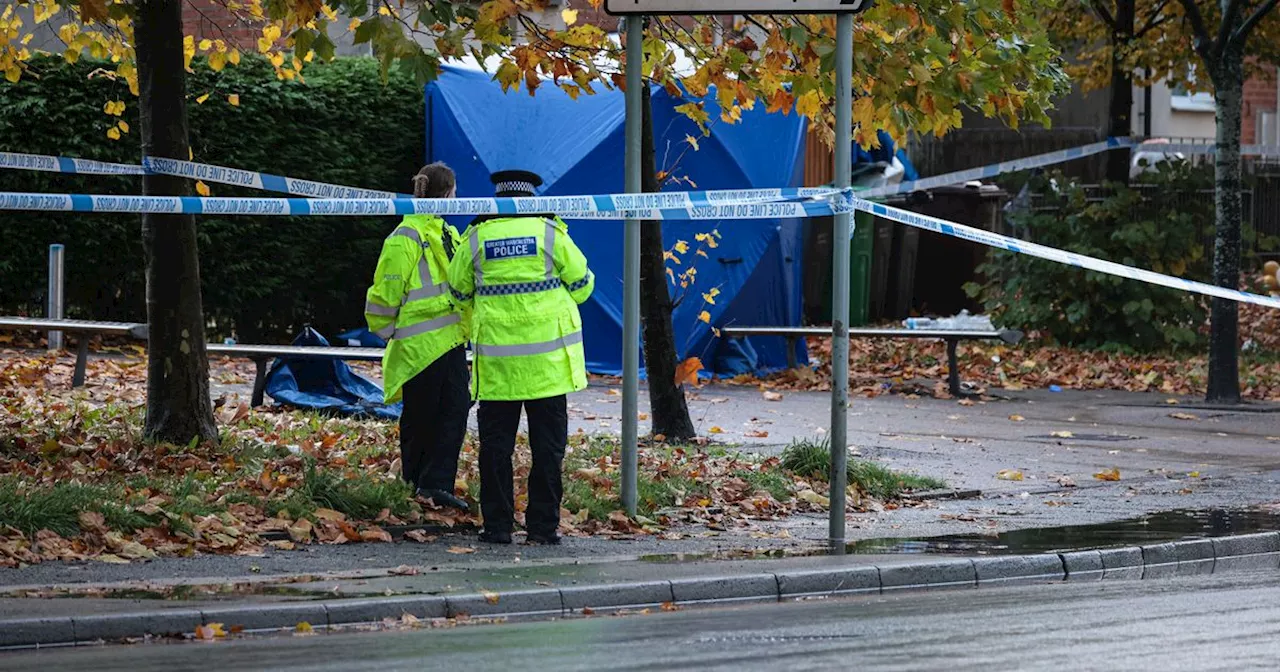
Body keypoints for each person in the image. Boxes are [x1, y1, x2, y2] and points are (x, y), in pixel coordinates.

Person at [447, 170, 594, 545]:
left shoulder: (477, 238)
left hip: (498, 368)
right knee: (548, 450)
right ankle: (543, 529)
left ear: (497, 200)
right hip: (547, 369)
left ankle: (497, 527)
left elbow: (457, 292)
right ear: (531, 199)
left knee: (496, 449)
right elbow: (582, 286)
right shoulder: (550, 234)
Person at [365, 162, 471, 511]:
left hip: (450, 342)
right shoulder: (406, 236)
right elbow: (386, 291)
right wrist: (386, 331)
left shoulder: (448, 234)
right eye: (455, 192)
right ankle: (416, 484)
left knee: (452, 413)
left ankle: (435, 485)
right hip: (419, 346)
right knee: (422, 416)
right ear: (446, 193)